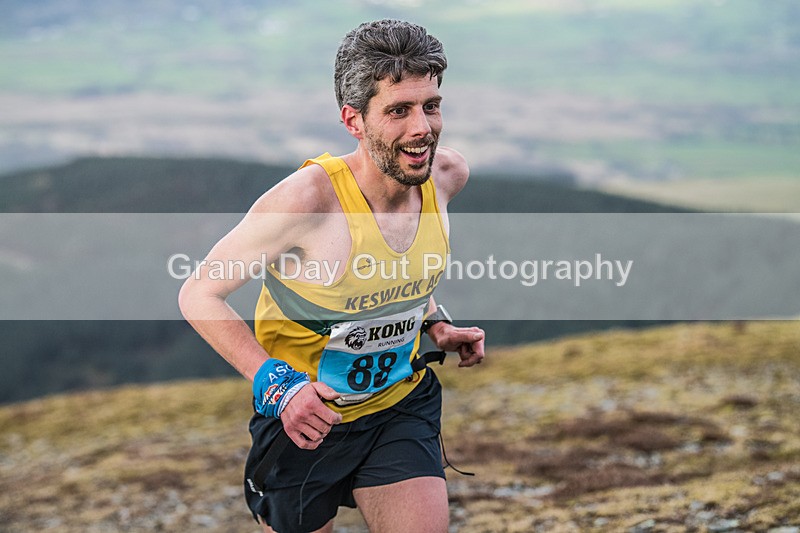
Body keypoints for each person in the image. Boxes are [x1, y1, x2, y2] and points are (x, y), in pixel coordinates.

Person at [179, 19, 485, 533]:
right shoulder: (307, 201)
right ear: (354, 120)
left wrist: (436, 325)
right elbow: (199, 295)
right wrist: (279, 386)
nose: (422, 128)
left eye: (431, 106)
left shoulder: (446, 177)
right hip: (307, 422)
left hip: (398, 406)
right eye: (398, 110)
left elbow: (398, 277)